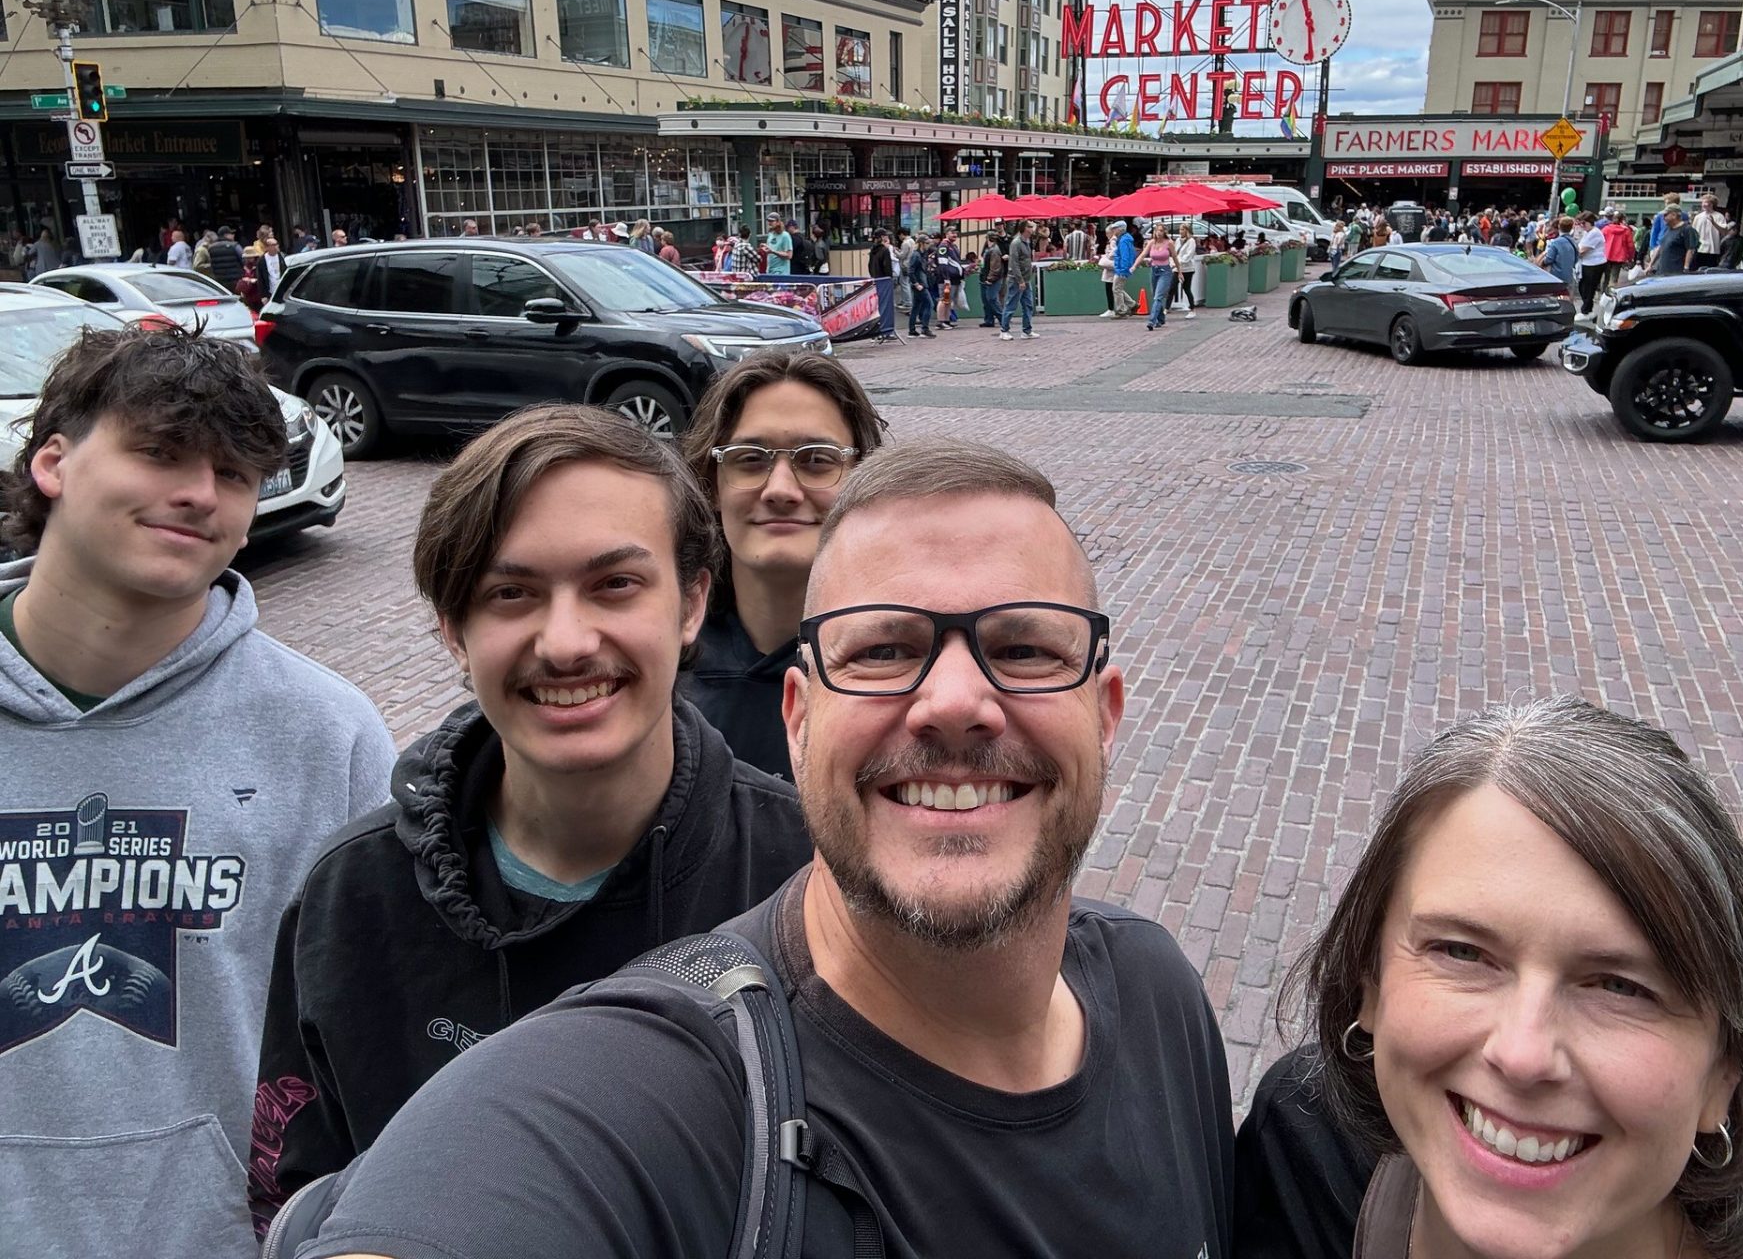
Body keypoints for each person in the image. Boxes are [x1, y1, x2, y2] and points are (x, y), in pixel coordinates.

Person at [275, 440, 1235, 1259]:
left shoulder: (1159, 995)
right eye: (881, 650)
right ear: (798, 719)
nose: (952, 700)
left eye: (1027, 649)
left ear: (1106, 716)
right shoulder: (654, 1082)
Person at [249, 406, 813, 1231]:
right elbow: (295, 1192)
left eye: (615, 584)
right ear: (453, 628)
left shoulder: (809, 876)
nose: (567, 642)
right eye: (511, 593)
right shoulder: (353, 900)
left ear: (692, 603)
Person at [0, 325, 393, 1256]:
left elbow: (373, 1035)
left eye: (234, 473)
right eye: (159, 453)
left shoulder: (325, 735)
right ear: (53, 460)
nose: (198, 493)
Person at [1237, 696, 1743, 1259]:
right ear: (1370, 983)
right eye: (1461, 952)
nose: (1522, 1055)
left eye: (1621, 987)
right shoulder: (1301, 1153)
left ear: (1723, 1076)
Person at [678, 352, 885, 775]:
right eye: (750, 458)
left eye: (816, 460)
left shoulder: (905, 669)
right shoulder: (660, 664)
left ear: (863, 480)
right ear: (712, 484)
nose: (781, 490)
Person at [1000, 219, 1037, 339]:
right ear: (1025, 228)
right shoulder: (1016, 243)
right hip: (1016, 280)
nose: (1032, 229)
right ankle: (1004, 330)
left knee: (1028, 305)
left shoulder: (1027, 241)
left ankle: (1027, 330)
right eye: (1030, 227)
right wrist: (1020, 280)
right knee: (1011, 304)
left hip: (1026, 278)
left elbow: (1024, 259)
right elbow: (1014, 263)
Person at [866, 228, 899, 343]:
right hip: (884, 281)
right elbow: (887, 267)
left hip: (876, 279)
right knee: (886, 306)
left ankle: (876, 332)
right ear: (882, 237)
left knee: (876, 307)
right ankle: (886, 331)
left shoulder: (873, 250)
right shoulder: (884, 251)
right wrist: (889, 278)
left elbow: (870, 266)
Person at [1143, 222, 1177, 331]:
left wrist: (1179, 271)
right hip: (1154, 270)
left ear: (1165, 232)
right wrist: (1134, 266)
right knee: (1156, 296)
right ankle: (1161, 318)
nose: (1159, 233)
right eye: (1157, 230)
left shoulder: (1169, 243)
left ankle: (1152, 321)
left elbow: (1175, 257)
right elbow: (1143, 254)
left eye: (1161, 231)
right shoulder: (1151, 242)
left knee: (1158, 297)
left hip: (1165, 271)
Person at [1573, 211, 1608, 316]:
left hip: (1594, 264)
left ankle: (1586, 311)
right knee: (1583, 287)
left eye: (1583, 223)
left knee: (1588, 288)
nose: (1582, 226)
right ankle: (1587, 309)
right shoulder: (1588, 232)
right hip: (1588, 263)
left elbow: (1582, 250)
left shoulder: (1594, 233)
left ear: (1589, 222)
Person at [1103, 221, 1137, 317]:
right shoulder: (1124, 239)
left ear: (1120, 229)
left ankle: (1121, 310)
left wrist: (1123, 269)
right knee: (1118, 288)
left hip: (1121, 268)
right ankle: (1132, 305)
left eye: (1115, 228)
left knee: (1116, 289)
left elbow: (1125, 256)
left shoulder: (1123, 241)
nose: (1113, 230)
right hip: (1122, 268)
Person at [904, 230, 935, 337]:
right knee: (929, 304)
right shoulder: (916, 255)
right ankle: (924, 329)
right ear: (921, 243)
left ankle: (912, 330)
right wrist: (916, 284)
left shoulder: (921, 254)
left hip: (921, 284)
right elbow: (910, 271)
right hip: (920, 285)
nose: (928, 245)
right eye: (926, 243)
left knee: (916, 307)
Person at [1655, 204, 1698, 276]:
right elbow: (1660, 247)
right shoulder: (1668, 229)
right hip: (1662, 270)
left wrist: (1686, 267)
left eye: (1666, 215)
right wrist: (1651, 264)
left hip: (1676, 271)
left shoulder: (1687, 229)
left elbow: (1690, 249)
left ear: (1674, 215)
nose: (1663, 218)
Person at [978, 225, 1007, 330]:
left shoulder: (994, 250)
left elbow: (995, 267)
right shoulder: (989, 249)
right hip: (985, 277)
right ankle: (989, 319)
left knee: (992, 299)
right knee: (987, 300)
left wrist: (990, 279)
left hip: (991, 279)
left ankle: (1002, 319)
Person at [1538, 215, 1578, 289]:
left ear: (1559, 227)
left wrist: (1541, 262)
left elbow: (1548, 260)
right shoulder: (1573, 242)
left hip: (1555, 275)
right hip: (1569, 275)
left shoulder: (1556, 242)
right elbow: (1576, 259)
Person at [1601, 209, 1636, 293]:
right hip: (1619, 256)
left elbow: (1600, 241)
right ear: (1622, 220)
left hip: (1606, 255)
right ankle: (1610, 293)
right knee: (1614, 277)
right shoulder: (1626, 231)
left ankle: (1602, 293)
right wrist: (1630, 257)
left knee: (1605, 276)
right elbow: (1630, 245)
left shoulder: (1606, 229)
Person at [1693, 194, 1732, 266]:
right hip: (1699, 248)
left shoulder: (1719, 216)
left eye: (1706, 202)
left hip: (1712, 249)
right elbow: (1694, 232)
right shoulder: (1698, 217)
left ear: (1712, 204)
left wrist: (1713, 223)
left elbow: (1724, 231)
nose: (1703, 205)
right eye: (1703, 202)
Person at [1176, 222, 1200, 316]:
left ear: (1187, 230)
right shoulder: (1178, 240)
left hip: (1188, 268)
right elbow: (1175, 251)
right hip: (1177, 268)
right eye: (1180, 229)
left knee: (1186, 288)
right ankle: (1166, 309)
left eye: (1182, 229)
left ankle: (1192, 308)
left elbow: (1189, 254)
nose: (1181, 231)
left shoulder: (1191, 241)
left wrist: (1180, 261)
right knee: (1172, 287)